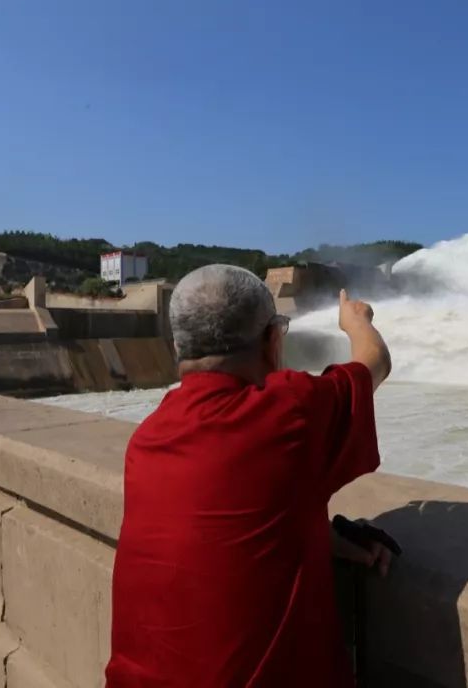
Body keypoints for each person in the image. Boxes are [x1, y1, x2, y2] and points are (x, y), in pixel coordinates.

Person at [105, 264, 393, 688]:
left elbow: (223, 518)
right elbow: (375, 362)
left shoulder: (146, 440)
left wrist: (325, 538)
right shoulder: (288, 410)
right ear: (273, 340)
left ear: (176, 348)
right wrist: (356, 321)